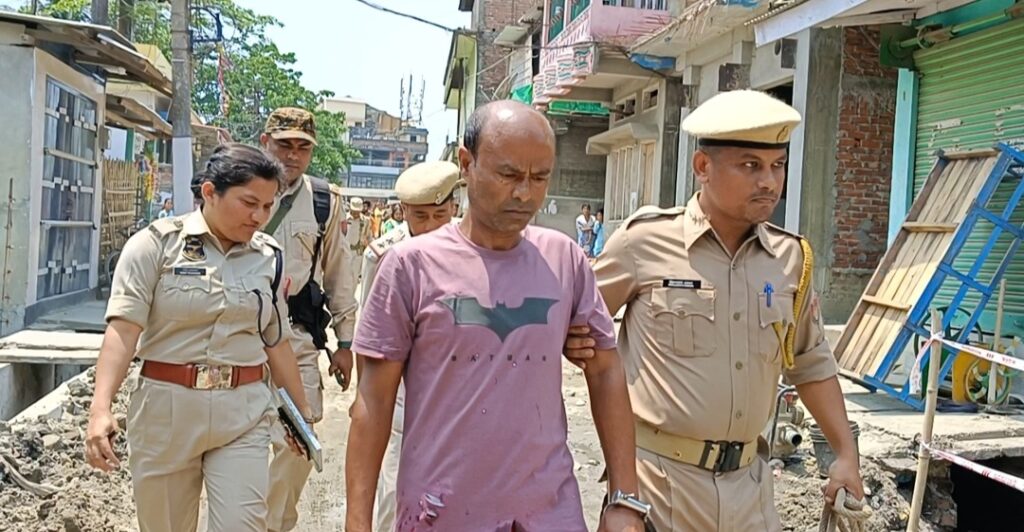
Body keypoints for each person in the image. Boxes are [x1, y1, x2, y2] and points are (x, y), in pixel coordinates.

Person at [346, 100, 647, 532]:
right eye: (509, 175)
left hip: (548, 514)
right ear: (466, 164)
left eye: (539, 177)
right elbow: (373, 402)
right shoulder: (411, 266)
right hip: (439, 513)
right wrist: (357, 523)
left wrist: (624, 498)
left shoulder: (563, 261)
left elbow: (605, 372)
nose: (525, 193)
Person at [576, 90, 864, 531]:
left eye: (778, 165)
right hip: (659, 490)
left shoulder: (790, 259)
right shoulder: (643, 243)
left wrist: (846, 454)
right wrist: (621, 493)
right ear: (702, 167)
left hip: (750, 493)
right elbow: (576, 334)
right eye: (750, 165)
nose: (768, 182)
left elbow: (810, 364)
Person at [85, 143, 313, 532]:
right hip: (166, 415)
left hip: (243, 414)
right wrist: (100, 408)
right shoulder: (155, 246)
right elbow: (123, 330)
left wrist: (301, 415)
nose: (260, 216)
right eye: (249, 203)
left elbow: (275, 340)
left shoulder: (269, 257)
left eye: (268, 206)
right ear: (210, 192)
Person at [258, 107, 357, 532]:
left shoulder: (323, 201)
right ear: (265, 143)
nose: (293, 155)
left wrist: (346, 343)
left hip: (297, 336)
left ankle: (274, 525)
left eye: (303, 147)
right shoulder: (239, 188)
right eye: (284, 145)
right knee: (240, 438)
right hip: (239, 338)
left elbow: (338, 272)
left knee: (298, 438)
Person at [355, 160, 462, 532]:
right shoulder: (383, 255)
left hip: (455, 391)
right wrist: (363, 399)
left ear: (454, 208)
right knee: (394, 498)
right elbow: (370, 338)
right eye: (421, 216)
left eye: (440, 215)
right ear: (403, 212)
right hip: (401, 391)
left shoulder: (471, 248)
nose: (431, 226)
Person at [345, 197, 367, 286]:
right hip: (344, 251)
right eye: (354, 211)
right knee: (343, 277)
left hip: (357, 253)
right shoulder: (344, 218)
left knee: (354, 278)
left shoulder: (365, 220)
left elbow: (368, 236)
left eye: (358, 211)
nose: (356, 213)